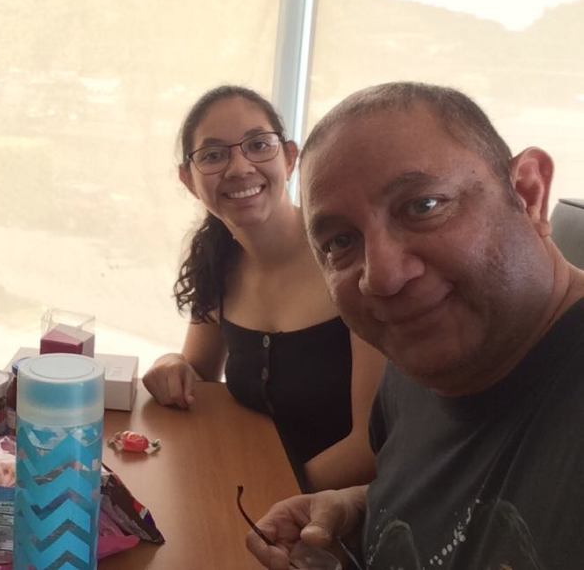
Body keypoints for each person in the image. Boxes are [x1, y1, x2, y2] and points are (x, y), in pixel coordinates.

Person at [246, 81, 584, 570]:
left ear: (528, 194)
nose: (381, 277)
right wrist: (359, 509)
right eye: (340, 242)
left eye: (423, 206)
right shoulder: (415, 368)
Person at [143, 85, 385, 492]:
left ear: (289, 158)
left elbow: (370, 447)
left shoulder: (352, 261)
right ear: (189, 180)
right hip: (248, 488)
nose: (239, 168)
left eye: (258, 145)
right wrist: (171, 363)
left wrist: (267, 494)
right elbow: (198, 376)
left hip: (341, 512)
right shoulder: (217, 261)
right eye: (214, 155)